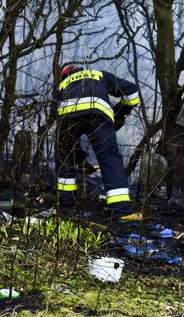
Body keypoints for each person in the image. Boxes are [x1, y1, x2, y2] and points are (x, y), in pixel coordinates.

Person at [53, 64, 140, 220]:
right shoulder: (98, 74)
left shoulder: (62, 85)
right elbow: (132, 91)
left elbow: (56, 116)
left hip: (67, 117)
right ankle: (120, 210)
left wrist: (79, 160)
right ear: (82, 71)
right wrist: (120, 114)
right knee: (109, 158)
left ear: (66, 76)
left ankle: (66, 204)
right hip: (97, 116)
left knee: (64, 154)